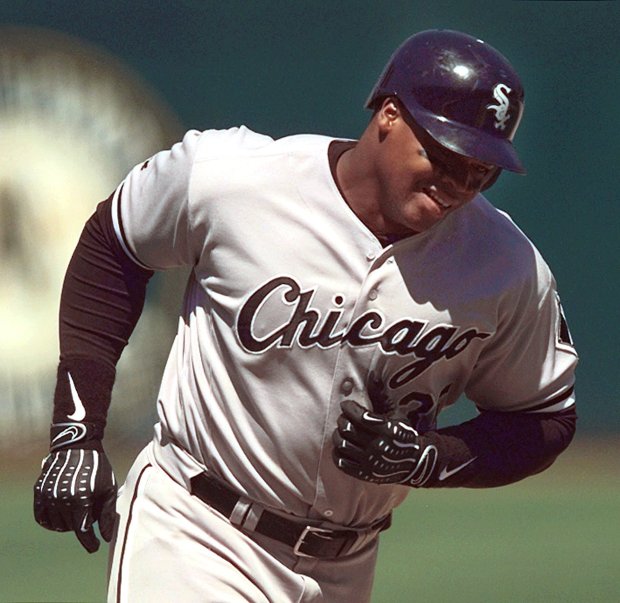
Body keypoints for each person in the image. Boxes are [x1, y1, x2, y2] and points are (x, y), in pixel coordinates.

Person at [33, 29, 578, 602]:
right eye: (444, 155)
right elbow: (113, 244)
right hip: (196, 531)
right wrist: (76, 433)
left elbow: (542, 419)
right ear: (389, 115)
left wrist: (431, 459)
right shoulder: (236, 179)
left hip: (345, 566)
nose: (460, 184)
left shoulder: (505, 268)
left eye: (481, 170)